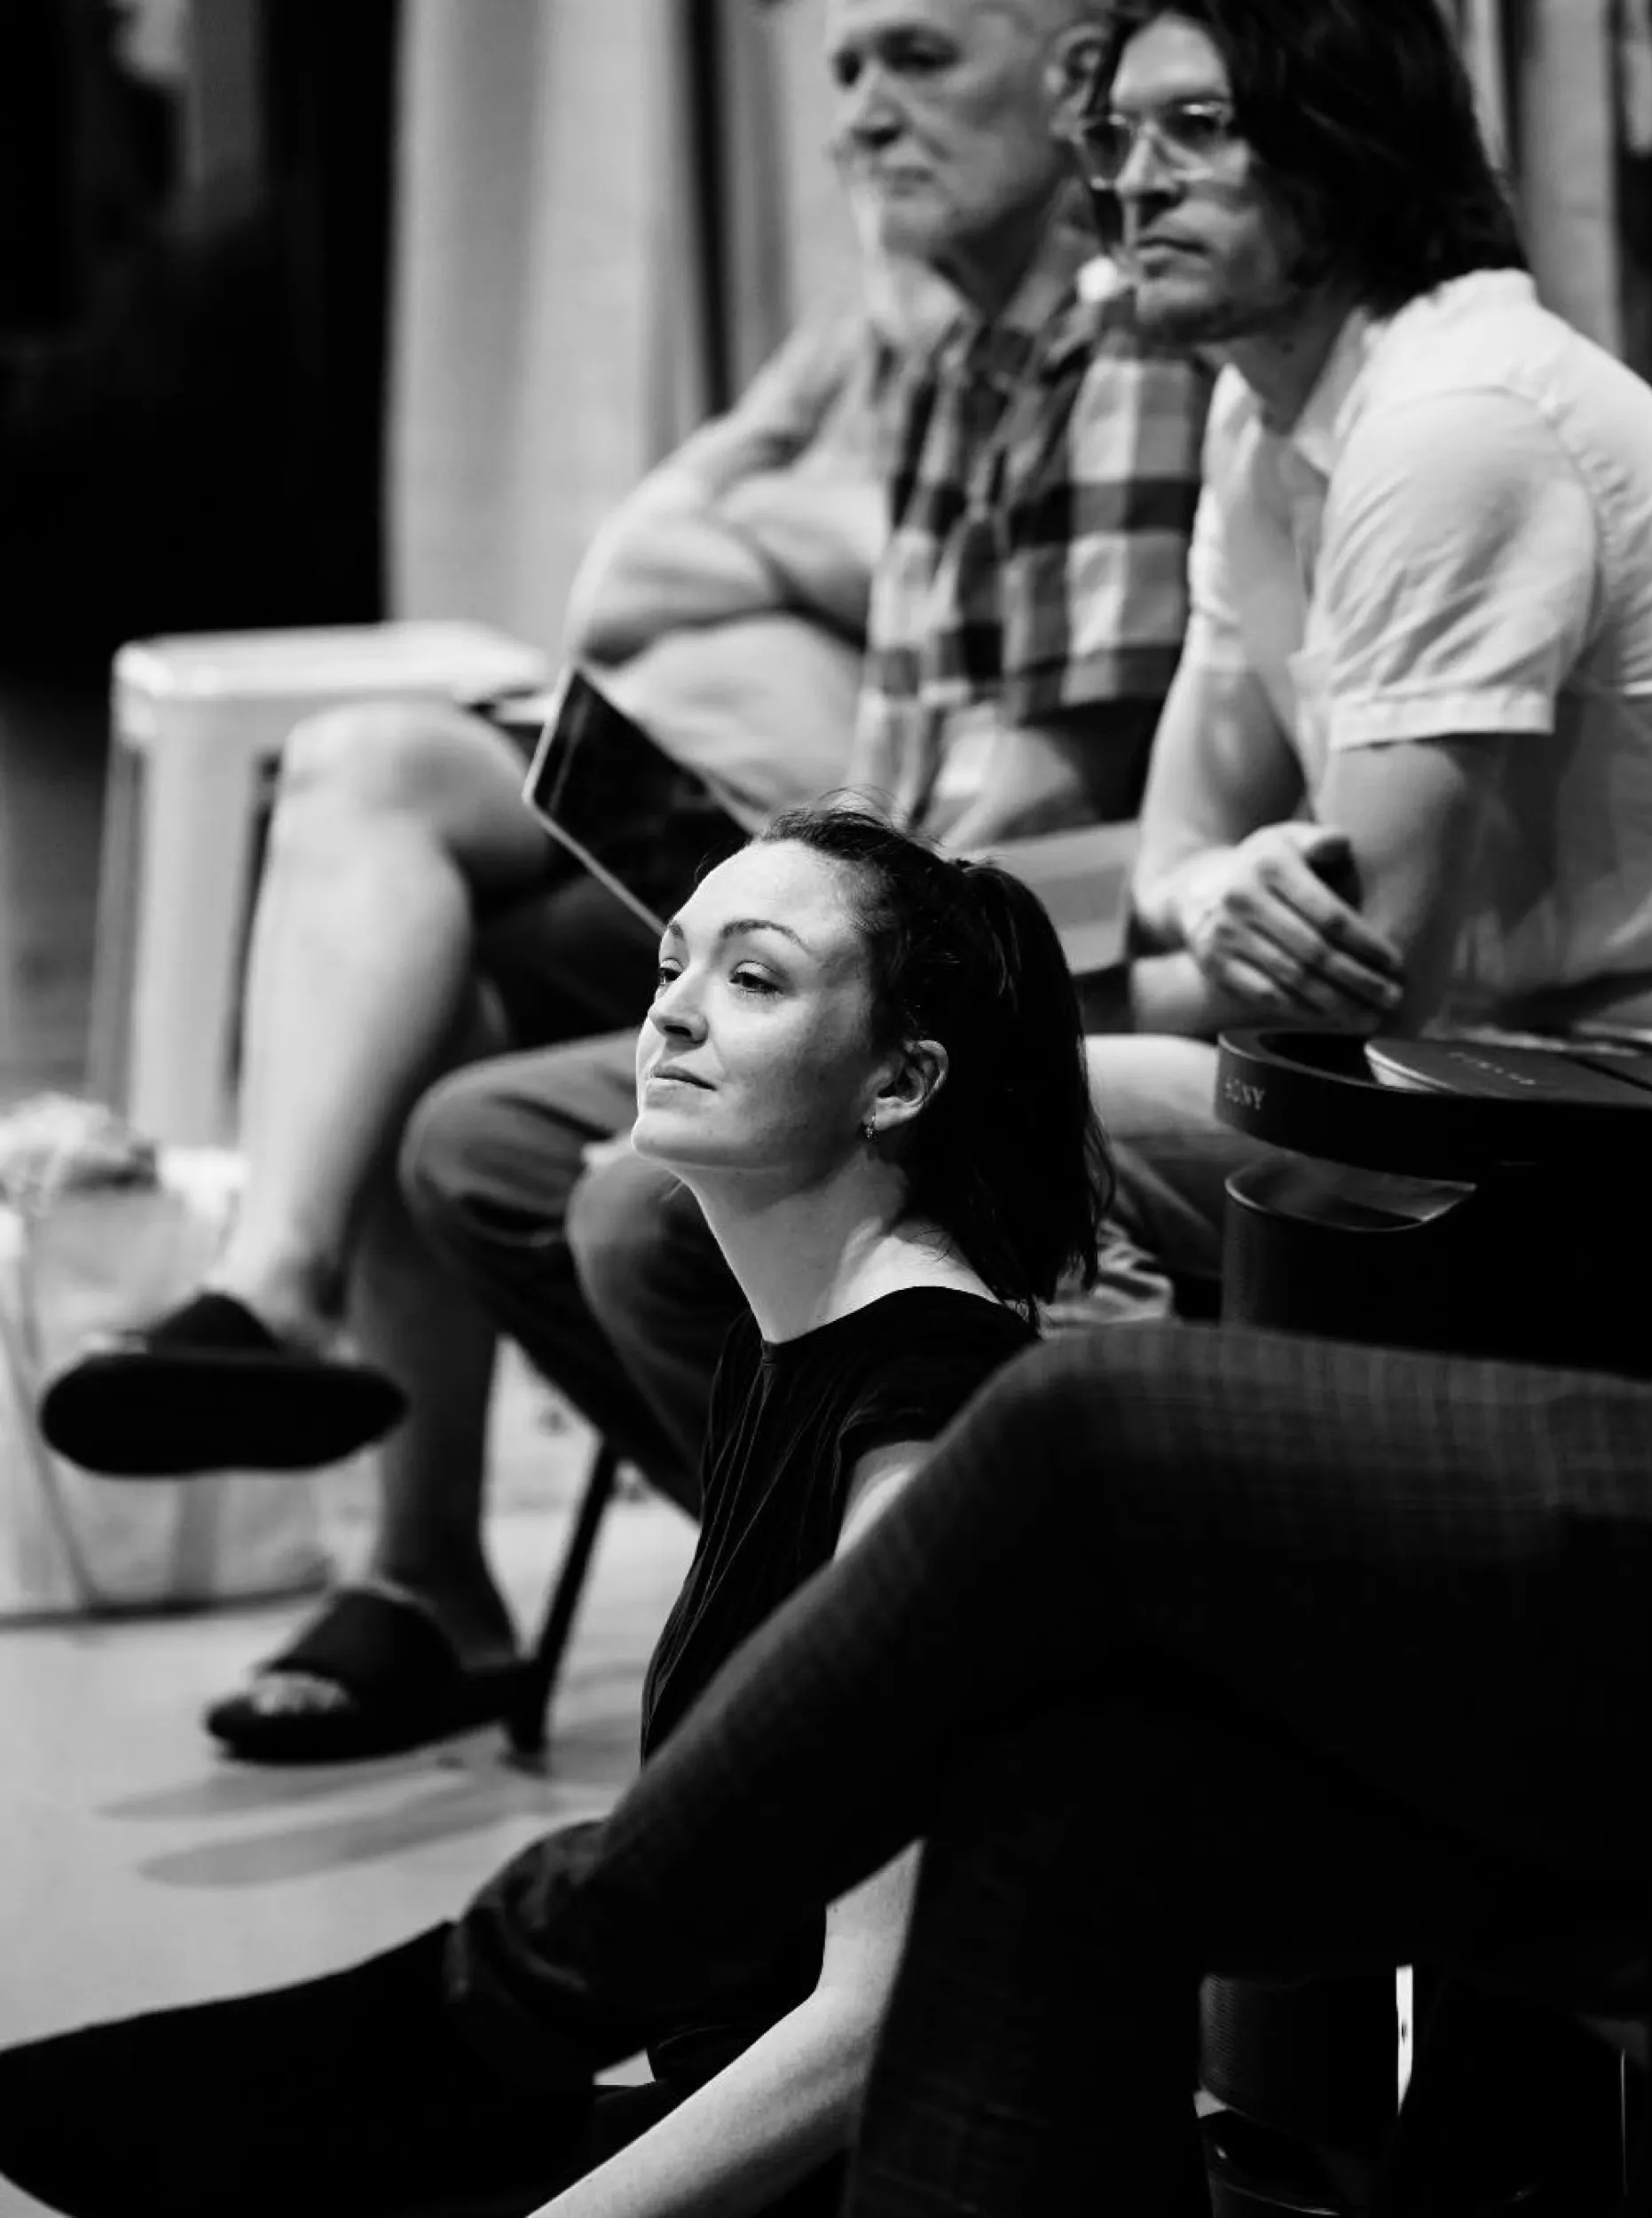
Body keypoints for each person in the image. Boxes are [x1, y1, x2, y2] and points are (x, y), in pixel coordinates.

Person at [83, 0, 1205, 1764]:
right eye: (840, 73)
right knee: (393, 861)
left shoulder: (1117, 357)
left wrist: (753, 582)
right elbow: (625, 567)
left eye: (916, 59)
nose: (860, 116)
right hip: (781, 859)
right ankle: (333, 1383)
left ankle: (849, 1635)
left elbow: (1017, 846)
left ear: (1071, 88)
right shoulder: (922, 356)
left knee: (551, 1153)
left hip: (953, 951)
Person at [568, 0, 1652, 1475]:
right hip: (1502, 1065)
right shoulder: (1264, 420)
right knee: (691, 1170)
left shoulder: (1456, 419)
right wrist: (1216, 890)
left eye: (1198, 130)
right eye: (1117, 135)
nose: (1132, 181)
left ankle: (1102, 1625)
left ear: (1347, 148)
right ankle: (945, 1622)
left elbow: (1377, 985)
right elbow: (1174, 857)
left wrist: (1190, 916)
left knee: (884, 1141)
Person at [0, 804, 1111, 2218]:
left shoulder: (923, 1424)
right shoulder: (782, 1346)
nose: (675, 1020)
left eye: (753, 980)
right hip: (727, 2094)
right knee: (118, 2117)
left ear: (900, 1082)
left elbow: (885, 2020)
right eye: (669, 968)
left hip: (877, 2172)